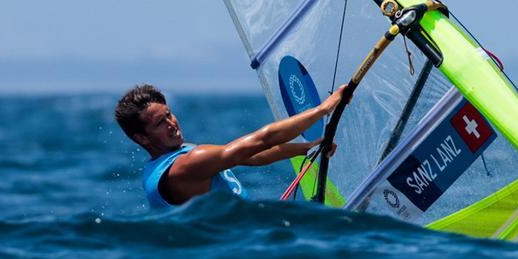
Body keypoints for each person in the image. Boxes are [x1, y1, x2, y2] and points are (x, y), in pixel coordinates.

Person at [114, 83, 346, 207]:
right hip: (231, 246)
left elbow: (254, 156)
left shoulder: (179, 156)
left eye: (169, 115)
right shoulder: (185, 166)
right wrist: (323, 109)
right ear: (142, 138)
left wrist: (306, 149)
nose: (171, 124)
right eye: (159, 123)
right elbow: (259, 141)